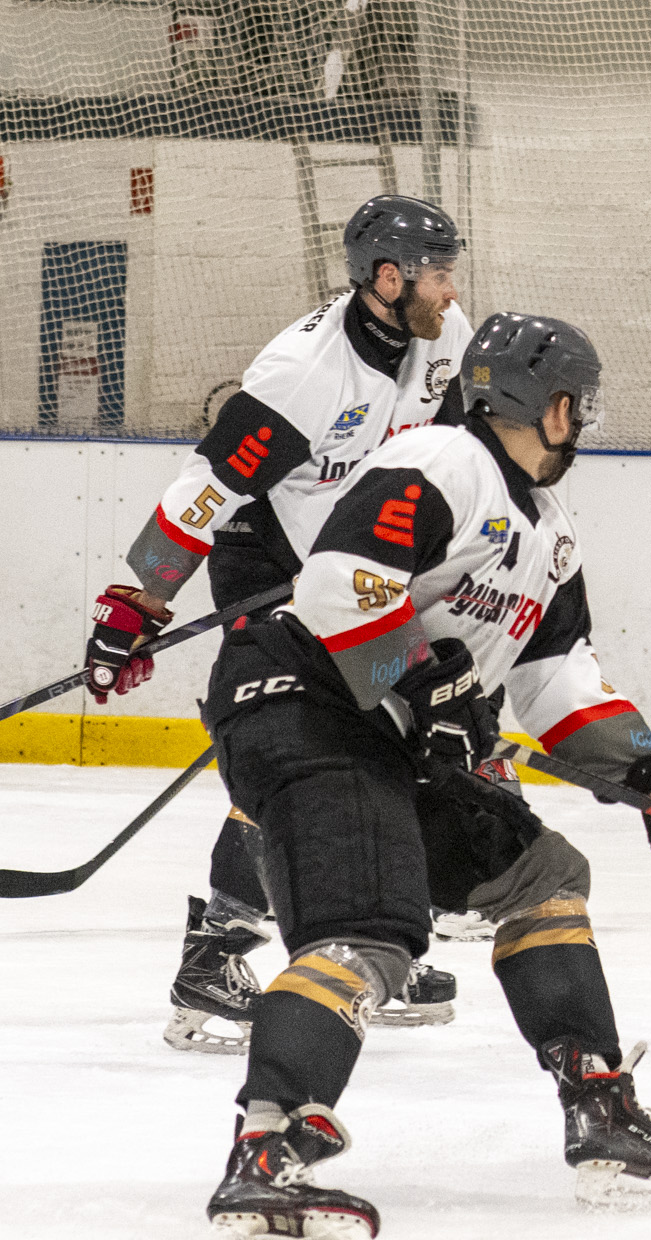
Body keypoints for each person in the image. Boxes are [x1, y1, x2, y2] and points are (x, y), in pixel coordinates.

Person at [198, 312, 651, 1240]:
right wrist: (419, 681)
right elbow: (337, 586)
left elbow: (554, 679)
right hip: (308, 708)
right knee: (372, 927)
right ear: (553, 405)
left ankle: (598, 1107)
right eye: (580, 404)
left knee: (541, 876)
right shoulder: (442, 459)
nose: (582, 423)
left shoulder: (550, 534)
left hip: (393, 738)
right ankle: (267, 1147)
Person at [86, 195, 475, 1052]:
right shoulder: (301, 377)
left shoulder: (445, 338)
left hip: (360, 568)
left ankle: (376, 944)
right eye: (440, 275)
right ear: (387, 277)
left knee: (397, 739)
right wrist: (136, 605)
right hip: (267, 561)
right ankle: (216, 955)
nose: (453, 292)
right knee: (299, 745)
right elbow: (204, 494)